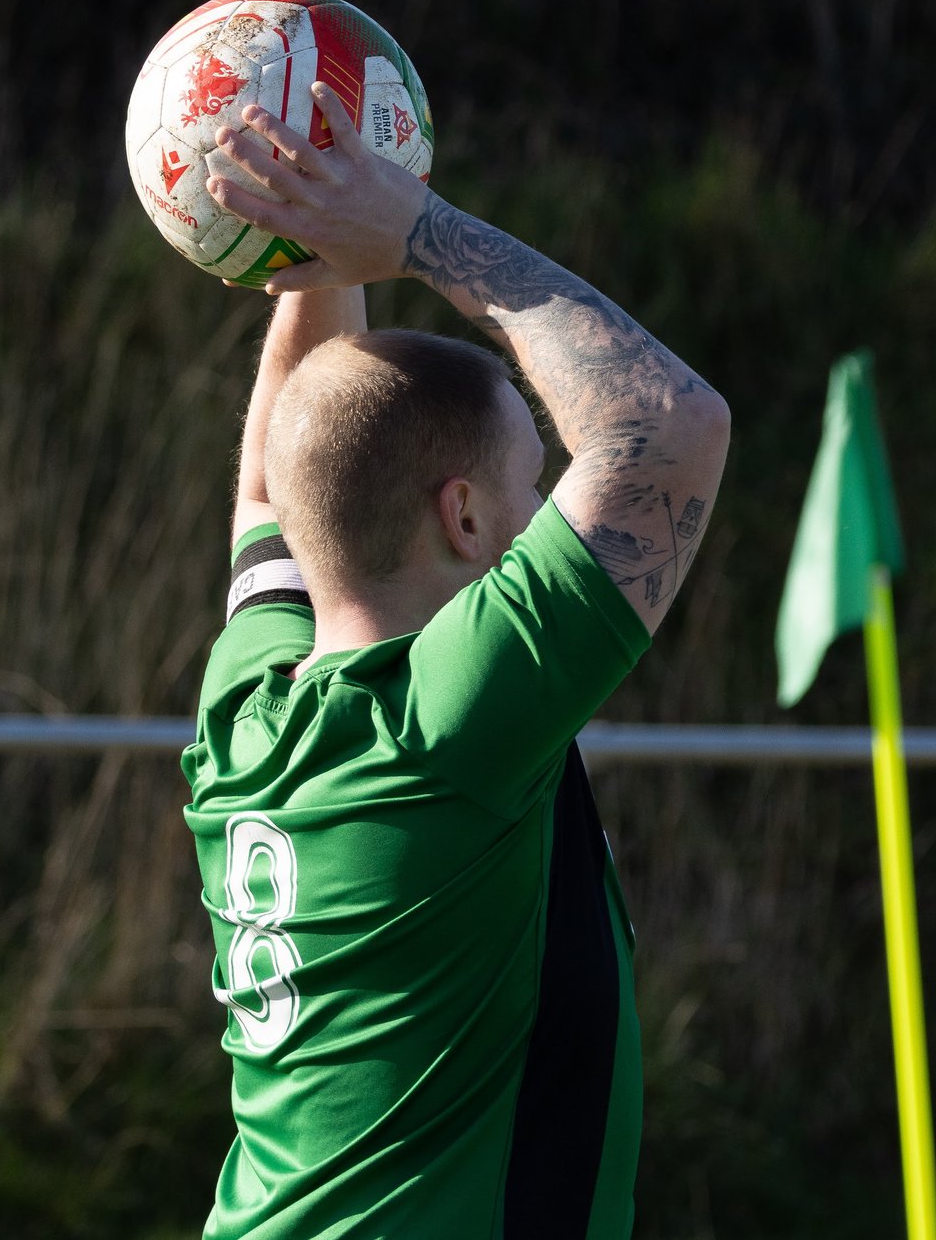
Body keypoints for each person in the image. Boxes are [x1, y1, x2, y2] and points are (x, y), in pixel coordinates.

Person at [181, 77, 731, 1239]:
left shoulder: (249, 702)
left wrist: (315, 238)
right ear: (465, 519)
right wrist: (417, 231)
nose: (546, 509)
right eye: (533, 481)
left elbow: (279, 482)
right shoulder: (444, 725)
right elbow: (666, 431)